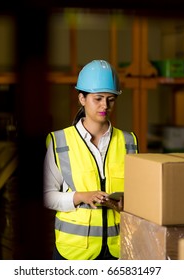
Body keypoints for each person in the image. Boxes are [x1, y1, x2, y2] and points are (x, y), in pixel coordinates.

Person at [43, 59, 139, 260]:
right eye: (98, 98)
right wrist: (80, 197)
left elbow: (141, 194)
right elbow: (46, 195)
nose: (105, 105)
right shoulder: (60, 142)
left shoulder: (128, 141)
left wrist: (129, 204)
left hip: (118, 250)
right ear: (82, 99)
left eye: (111, 99)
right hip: (74, 253)